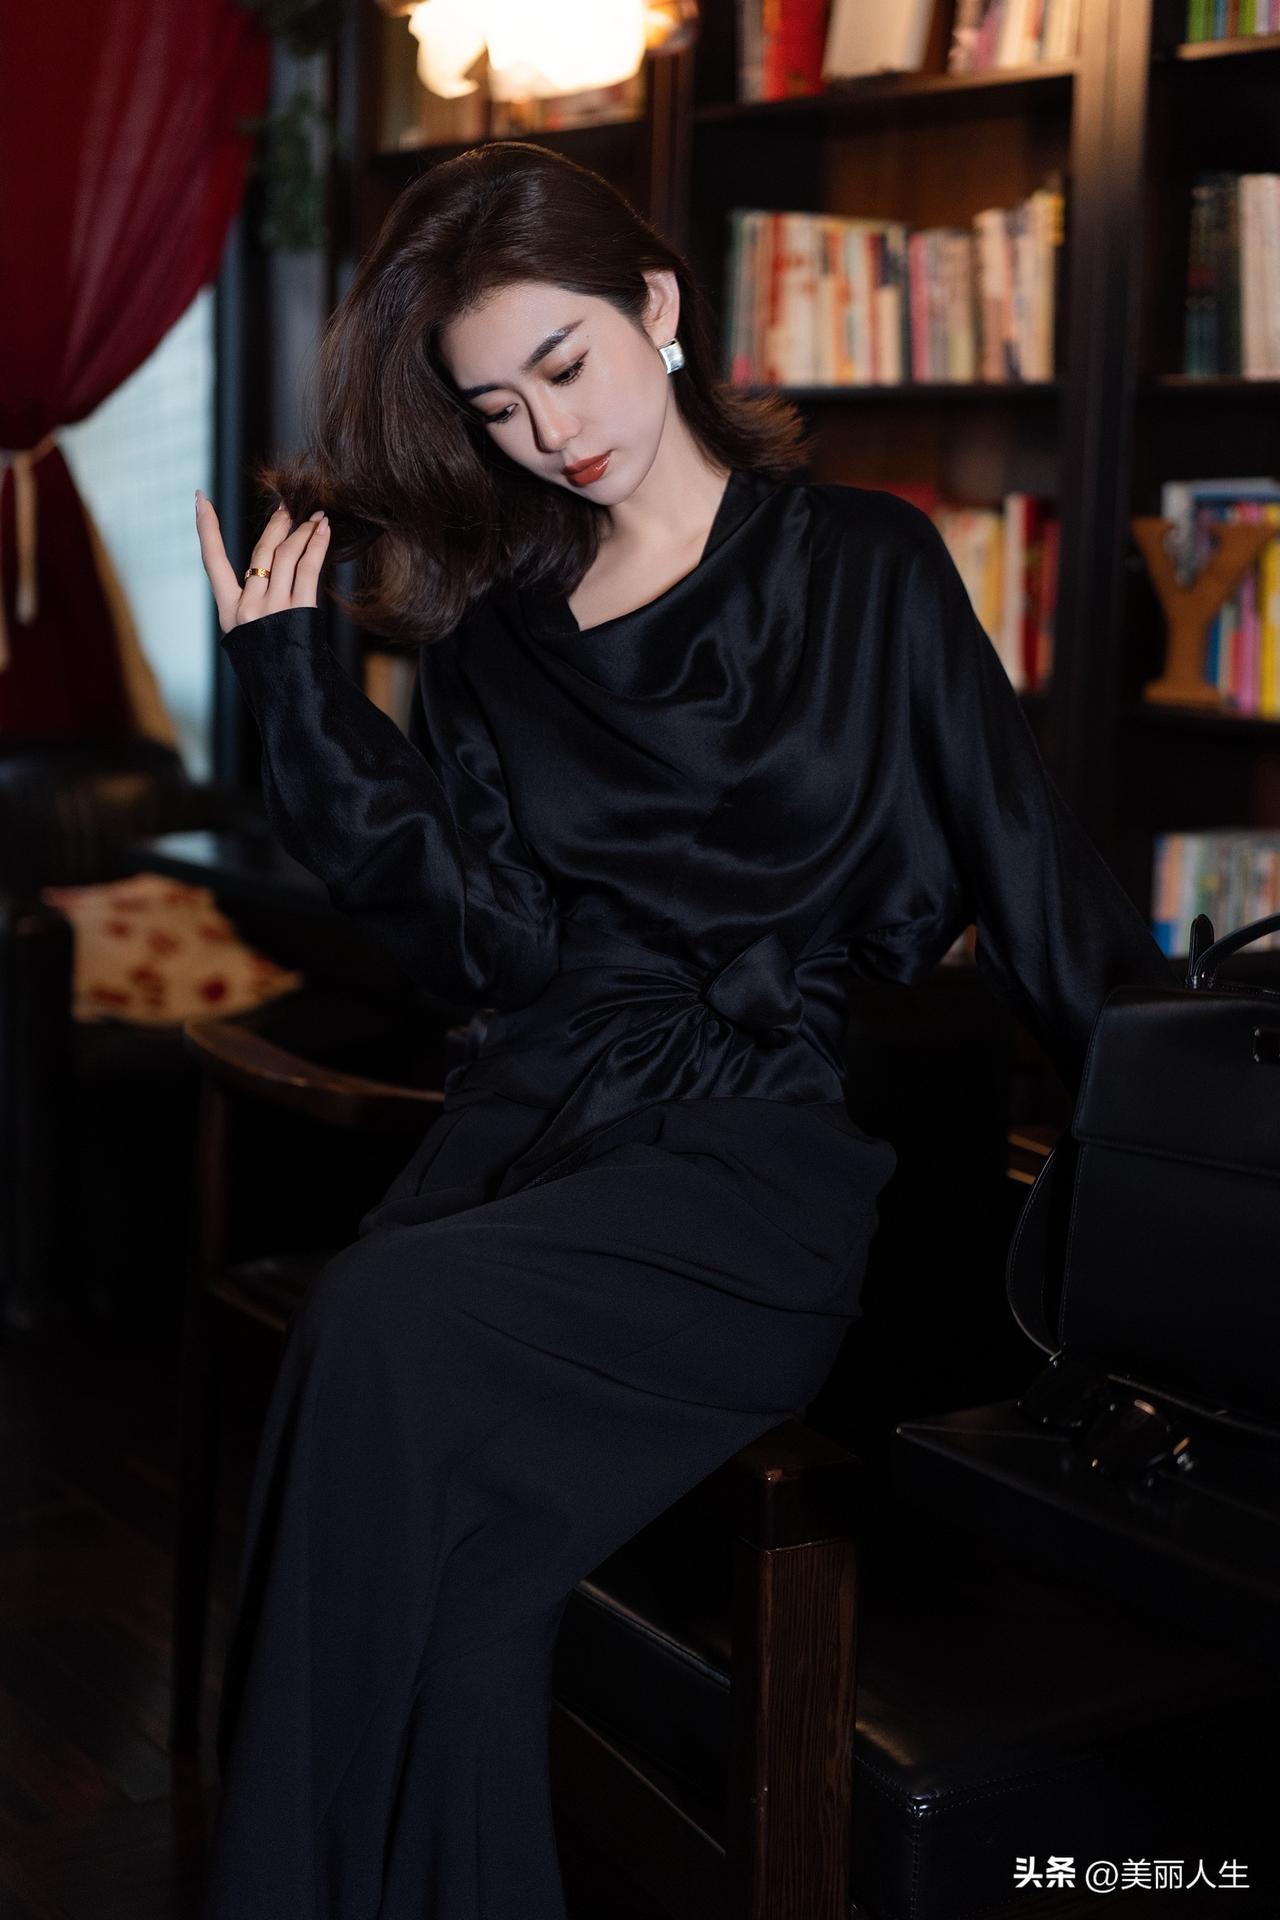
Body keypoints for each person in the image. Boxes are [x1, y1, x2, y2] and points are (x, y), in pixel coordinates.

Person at [193, 140, 1177, 1919]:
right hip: (542, 1127)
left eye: (563, 364)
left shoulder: (870, 565)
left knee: (373, 1320)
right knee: (468, 1611)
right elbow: (489, 947)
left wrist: (1211, 1132)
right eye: (497, 407)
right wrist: (302, 705)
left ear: (656, 303)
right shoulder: (497, 640)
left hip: (761, 1161)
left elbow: (1038, 882)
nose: (547, 431)